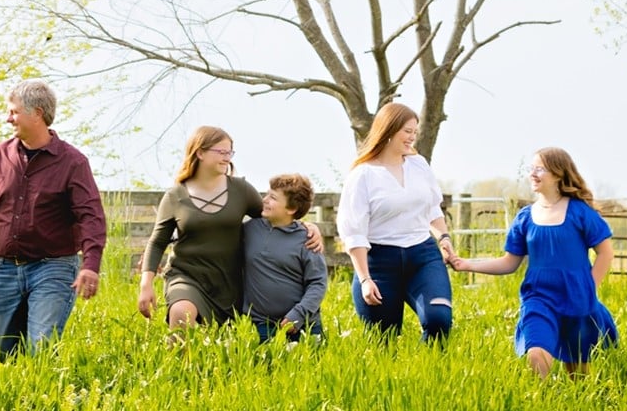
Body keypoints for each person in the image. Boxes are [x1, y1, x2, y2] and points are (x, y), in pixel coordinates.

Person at [0, 80, 107, 359]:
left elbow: (91, 216)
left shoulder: (73, 162)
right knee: (2, 352)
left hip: (54, 268)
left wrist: (91, 265)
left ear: (37, 113)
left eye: (13, 112)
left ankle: (46, 401)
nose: (7, 118)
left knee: (43, 347)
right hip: (4, 269)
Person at [450, 147, 617, 378]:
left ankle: (574, 407)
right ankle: (544, 404)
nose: (533, 174)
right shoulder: (525, 217)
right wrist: (468, 265)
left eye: (540, 169)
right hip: (538, 297)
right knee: (536, 353)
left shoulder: (581, 213)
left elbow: (605, 253)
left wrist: (590, 288)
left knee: (578, 373)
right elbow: (510, 262)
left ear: (558, 174)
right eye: (531, 169)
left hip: (577, 298)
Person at [137, 126, 323, 330]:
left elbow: (277, 215)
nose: (227, 158)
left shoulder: (241, 190)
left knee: (220, 340)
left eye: (230, 152)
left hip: (228, 282)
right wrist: (146, 284)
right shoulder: (175, 196)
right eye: (221, 152)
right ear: (200, 152)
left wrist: (307, 225)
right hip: (186, 274)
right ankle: (179, 363)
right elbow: (157, 242)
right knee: (181, 311)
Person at [337, 102, 455, 343]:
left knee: (438, 320)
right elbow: (354, 232)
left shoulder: (419, 165)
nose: (412, 137)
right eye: (407, 131)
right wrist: (365, 279)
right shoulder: (363, 175)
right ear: (388, 130)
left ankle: (431, 373)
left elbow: (432, 207)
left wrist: (443, 238)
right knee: (384, 340)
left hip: (423, 256)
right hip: (379, 262)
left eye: (414, 132)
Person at [243, 173, 328, 345]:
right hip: (262, 325)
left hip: (304, 325)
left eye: (273, 198)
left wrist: (298, 315)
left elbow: (318, 283)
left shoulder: (308, 239)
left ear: (291, 209)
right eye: (267, 194)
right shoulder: (249, 230)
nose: (264, 200)